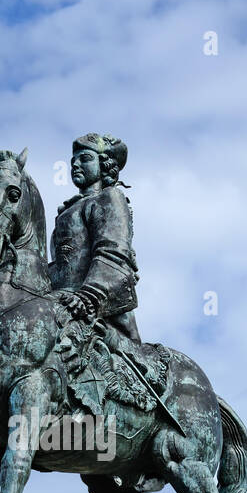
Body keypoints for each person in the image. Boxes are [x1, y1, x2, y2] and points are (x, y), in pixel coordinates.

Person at [50, 133, 141, 343]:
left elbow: (113, 254)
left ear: (104, 164)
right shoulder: (65, 212)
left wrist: (88, 296)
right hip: (63, 302)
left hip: (96, 305)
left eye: (85, 159)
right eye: (73, 161)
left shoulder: (109, 197)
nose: (75, 165)